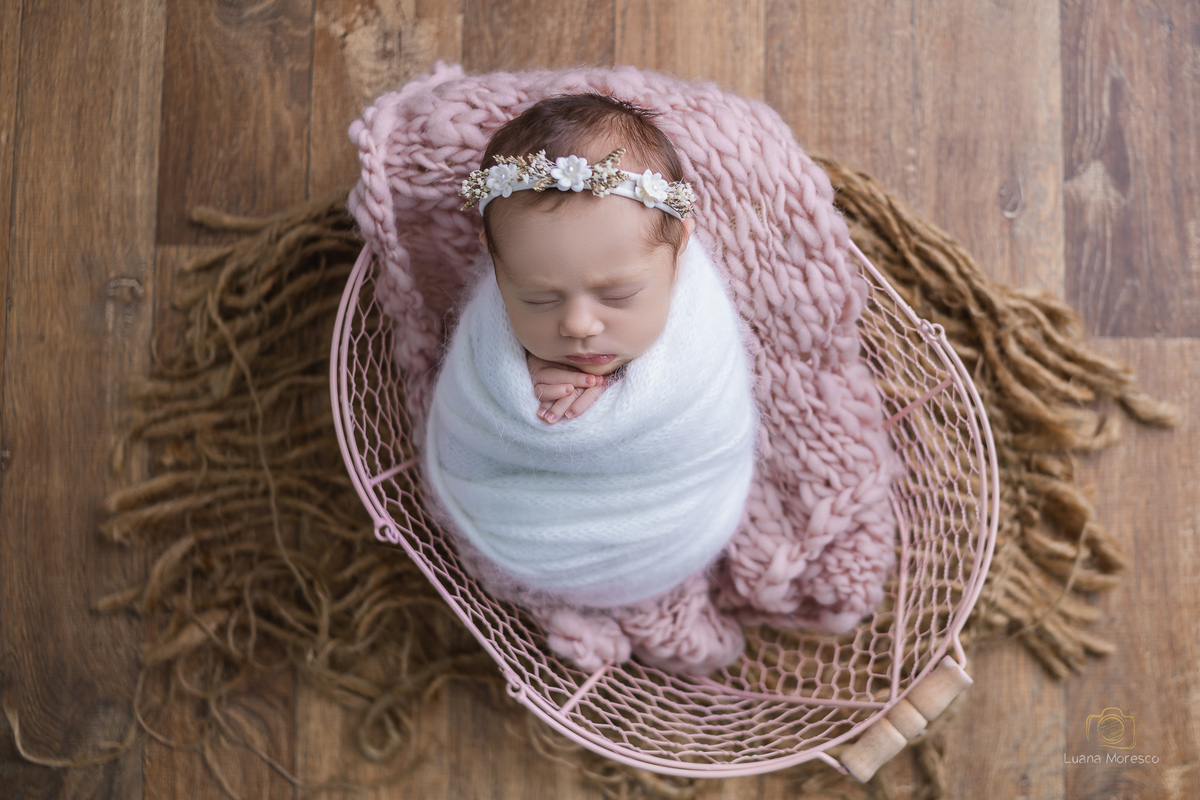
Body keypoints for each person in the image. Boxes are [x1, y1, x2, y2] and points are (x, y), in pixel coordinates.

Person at [421, 93, 758, 673]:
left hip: (674, 520)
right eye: (538, 298)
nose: (577, 325)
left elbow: (706, 412)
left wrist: (616, 403)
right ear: (495, 266)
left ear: (678, 249)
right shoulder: (494, 317)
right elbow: (471, 409)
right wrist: (517, 387)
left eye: (618, 296)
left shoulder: (696, 322)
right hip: (523, 527)